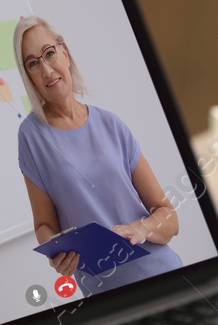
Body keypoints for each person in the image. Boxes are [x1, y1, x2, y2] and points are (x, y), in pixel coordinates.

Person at [15, 15, 183, 295]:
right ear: (28, 76)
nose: (46, 70)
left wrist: (141, 229)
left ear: (64, 53)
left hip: (164, 278)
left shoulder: (111, 124)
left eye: (49, 54)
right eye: (33, 63)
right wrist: (55, 255)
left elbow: (169, 218)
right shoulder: (31, 136)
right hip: (106, 297)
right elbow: (44, 226)